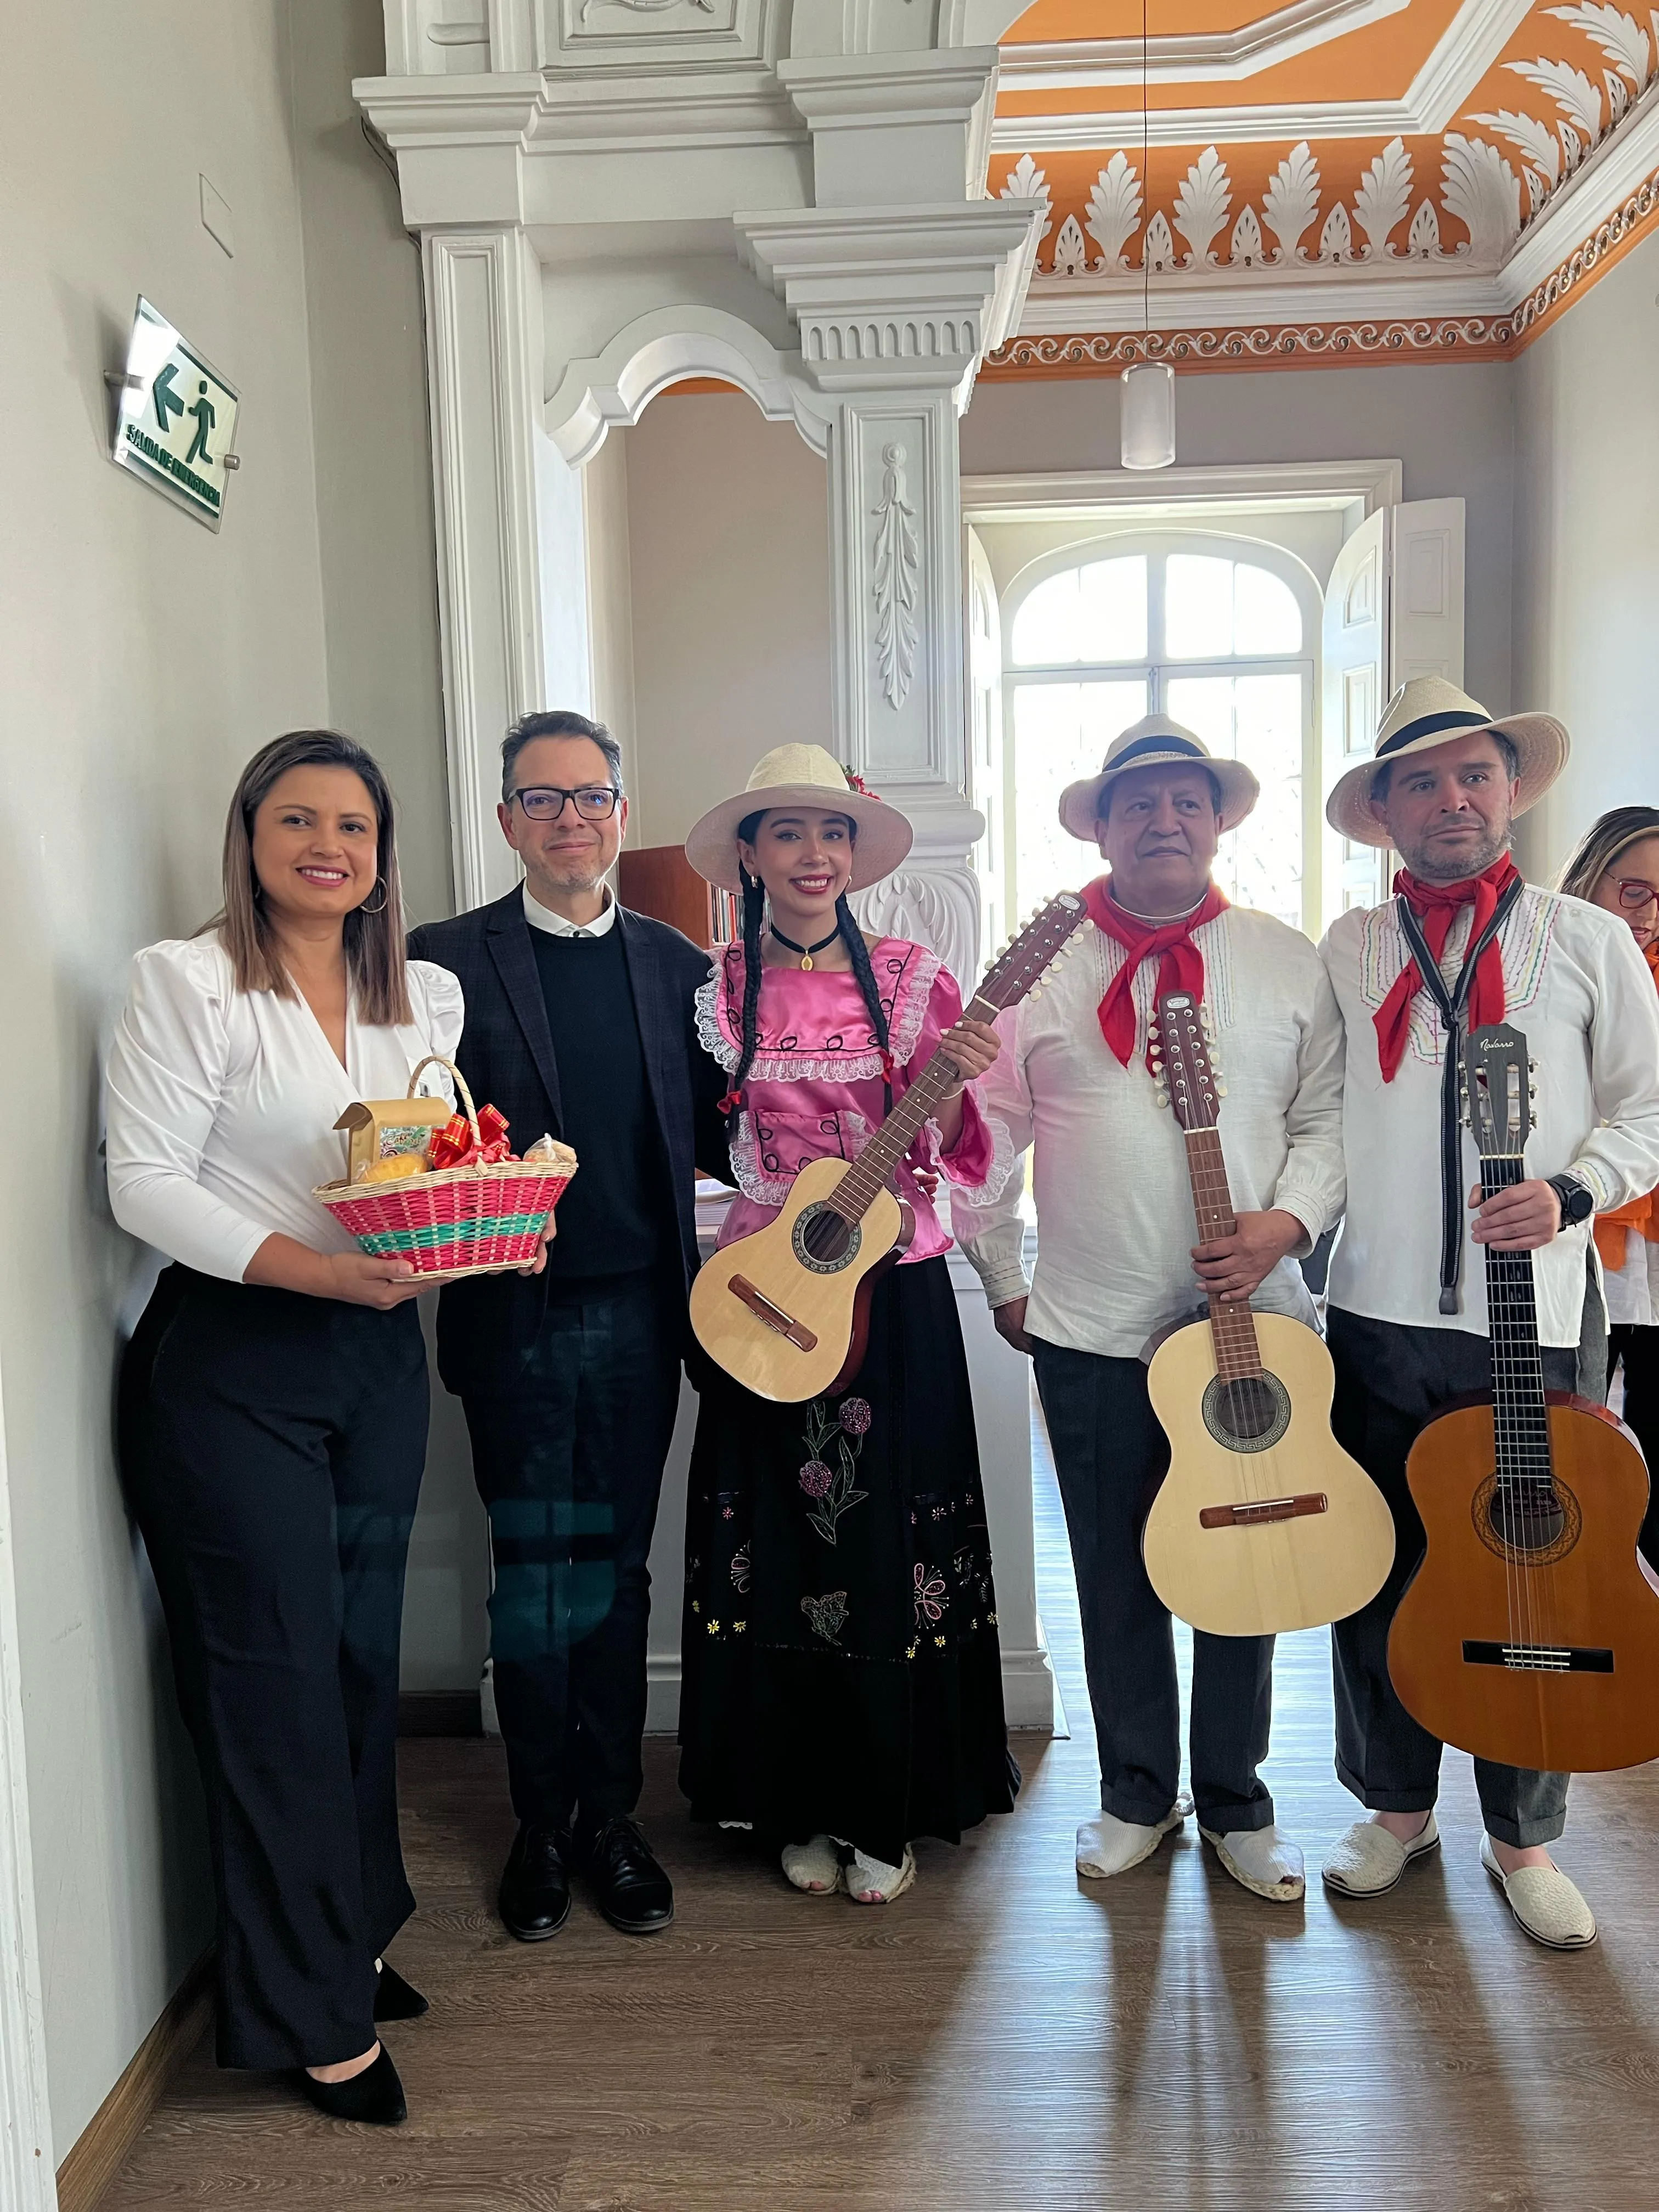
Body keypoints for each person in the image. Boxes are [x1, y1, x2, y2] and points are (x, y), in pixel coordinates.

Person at [107, 730, 466, 2126]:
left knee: (358, 1658)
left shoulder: (419, 994)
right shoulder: (187, 981)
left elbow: (419, 1168)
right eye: (299, 820)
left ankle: (350, 1936)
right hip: (233, 1359)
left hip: (376, 1357)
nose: (329, 845)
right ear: (250, 836)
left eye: (354, 826)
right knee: (271, 1683)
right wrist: (319, 1273)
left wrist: (467, 1230)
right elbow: (143, 1182)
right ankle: (311, 2017)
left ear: (382, 855)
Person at [953, 715, 1344, 1905]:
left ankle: (1236, 1801)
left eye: (1187, 801)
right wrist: (1003, 1277)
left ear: (1218, 822)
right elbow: (986, 1137)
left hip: (1256, 1327)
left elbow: (1329, 1119)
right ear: (1104, 827)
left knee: (1246, 1563)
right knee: (1116, 1571)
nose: (1164, 821)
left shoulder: (1286, 959)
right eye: (1139, 803)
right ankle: (1135, 1793)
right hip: (1090, 1326)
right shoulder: (1040, 973)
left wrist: (1285, 1225)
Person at [1316, 680, 1659, 1948]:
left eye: (1475, 774)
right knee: (1386, 1567)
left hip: (1541, 1313)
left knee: (1540, 1562)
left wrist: (1574, 1190)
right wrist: (1286, 1228)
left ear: (1511, 790)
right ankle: (1395, 1808)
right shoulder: (1351, 947)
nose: (1452, 798)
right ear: (1386, 811)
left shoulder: (1588, 938)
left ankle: (1524, 1835)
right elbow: (1323, 1118)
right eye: (1422, 780)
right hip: (1377, 1311)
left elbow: (1652, 1105)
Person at [408, 709, 730, 1945]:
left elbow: (729, 1135)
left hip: (646, 1316)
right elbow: (405, 1133)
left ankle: (613, 1819)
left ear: (622, 813)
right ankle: (541, 1824)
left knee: (622, 1572)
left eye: (591, 796)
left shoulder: (680, 967)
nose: (570, 819)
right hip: (516, 1321)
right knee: (536, 1572)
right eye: (541, 799)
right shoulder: (441, 966)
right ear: (506, 820)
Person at [678, 743, 1016, 1904]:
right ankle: (795, 1801)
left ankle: (887, 1805)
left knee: (883, 1545)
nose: (813, 855)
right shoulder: (716, 990)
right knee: (778, 1538)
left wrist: (956, 1078)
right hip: (767, 1290)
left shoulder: (921, 980)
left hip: (890, 1285)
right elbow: (694, 1139)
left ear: (857, 854)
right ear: (751, 855)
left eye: (832, 833)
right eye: (788, 833)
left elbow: (962, 1150)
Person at [1557, 805, 1659, 1562]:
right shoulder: (1553, 965)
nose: (1650, 914)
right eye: (1635, 891)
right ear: (1591, 879)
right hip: (1575, 1229)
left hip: (1651, 1240)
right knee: (1573, 1426)